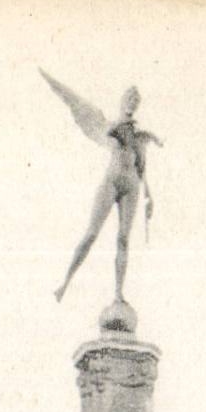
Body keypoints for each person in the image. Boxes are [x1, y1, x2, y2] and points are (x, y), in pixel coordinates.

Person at [41, 75, 162, 306]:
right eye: (130, 98)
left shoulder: (138, 138)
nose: (133, 102)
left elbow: (142, 169)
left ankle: (118, 293)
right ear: (123, 100)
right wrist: (120, 128)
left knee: (123, 239)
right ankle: (65, 282)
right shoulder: (111, 126)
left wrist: (149, 196)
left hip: (131, 185)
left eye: (136, 100)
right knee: (91, 233)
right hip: (112, 180)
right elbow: (105, 132)